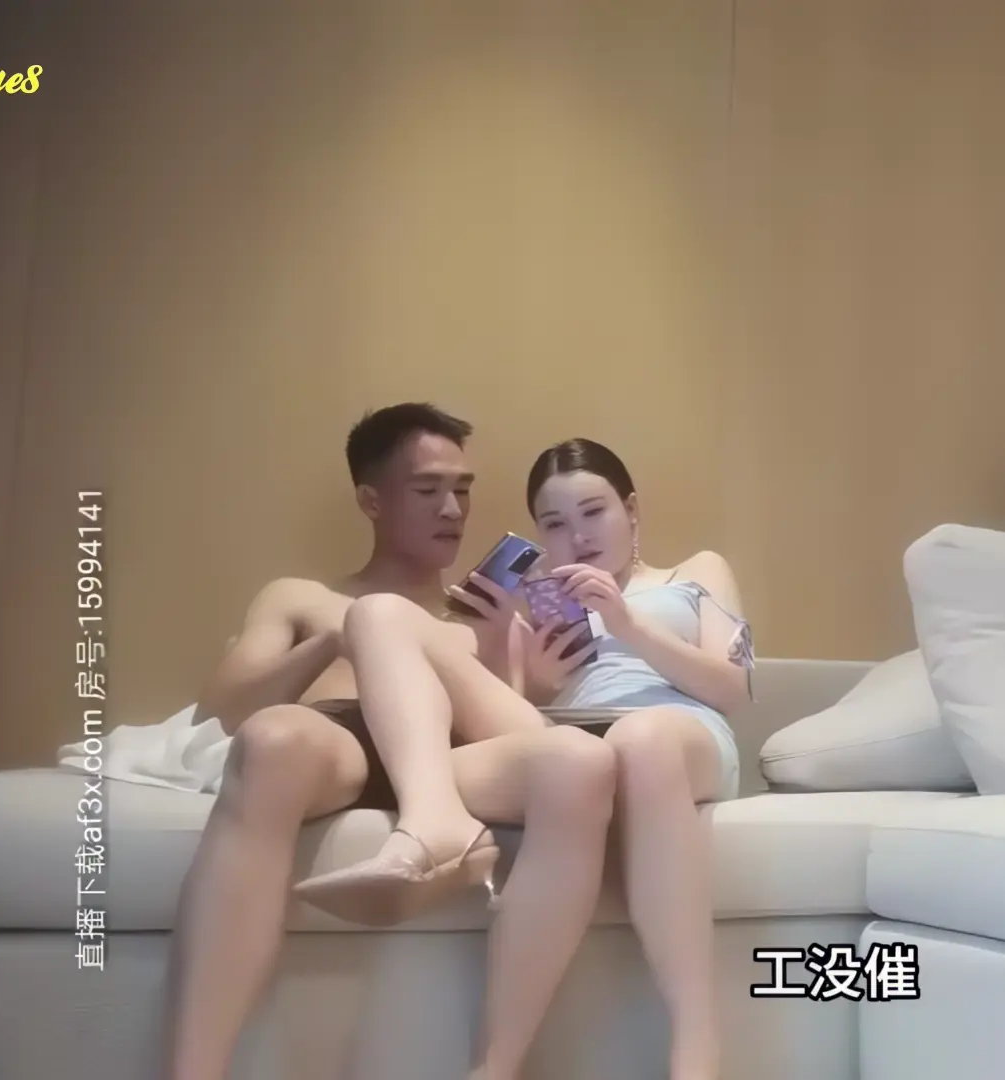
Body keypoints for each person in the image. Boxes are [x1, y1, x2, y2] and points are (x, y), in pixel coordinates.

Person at [294, 436, 754, 1080]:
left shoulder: (695, 574)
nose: (578, 536)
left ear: (630, 511)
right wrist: (531, 675)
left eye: (593, 512)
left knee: (640, 739)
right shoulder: (533, 604)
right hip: (569, 738)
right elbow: (512, 721)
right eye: (554, 524)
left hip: (677, 730)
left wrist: (628, 625)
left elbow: (734, 689)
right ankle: (433, 825)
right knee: (378, 613)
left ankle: (696, 1054)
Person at [165, 403, 580, 1080]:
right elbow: (221, 712)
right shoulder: (302, 598)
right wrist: (339, 636)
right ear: (371, 500)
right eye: (428, 490)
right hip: (338, 743)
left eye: (463, 490)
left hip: (455, 757)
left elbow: (514, 730)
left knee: (569, 760)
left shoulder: (481, 615)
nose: (452, 509)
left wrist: (521, 668)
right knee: (272, 740)